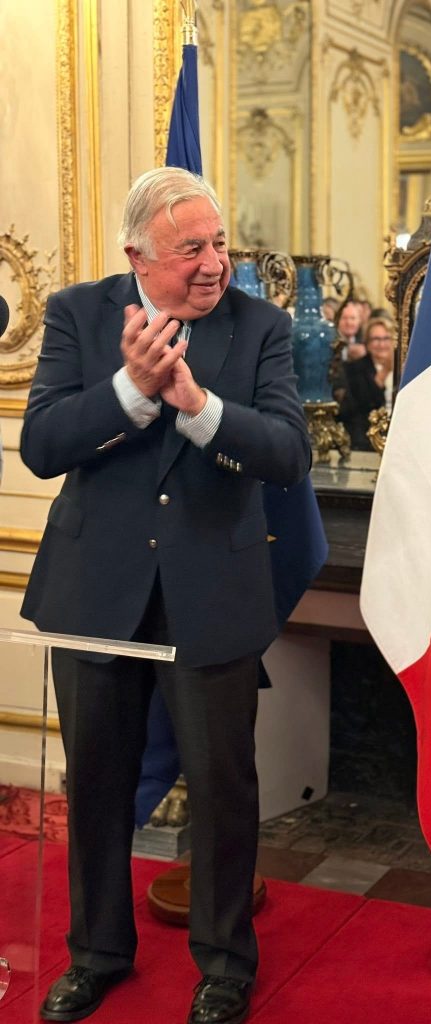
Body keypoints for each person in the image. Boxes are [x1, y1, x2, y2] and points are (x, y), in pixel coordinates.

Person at [21, 167, 311, 1024]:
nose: (216, 263)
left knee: (223, 788)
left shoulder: (260, 327)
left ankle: (225, 966)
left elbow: (287, 452)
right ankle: (97, 953)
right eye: (193, 249)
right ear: (138, 257)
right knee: (98, 784)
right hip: (94, 594)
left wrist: (194, 405)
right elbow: (42, 443)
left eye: (220, 243)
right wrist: (128, 393)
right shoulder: (79, 312)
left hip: (211, 594)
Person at [338, 316, 395, 449]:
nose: (381, 344)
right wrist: (384, 373)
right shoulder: (353, 369)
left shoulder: (404, 367)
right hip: (367, 437)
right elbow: (362, 405)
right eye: (376, 339)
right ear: (367, 344)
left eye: (386, 338)